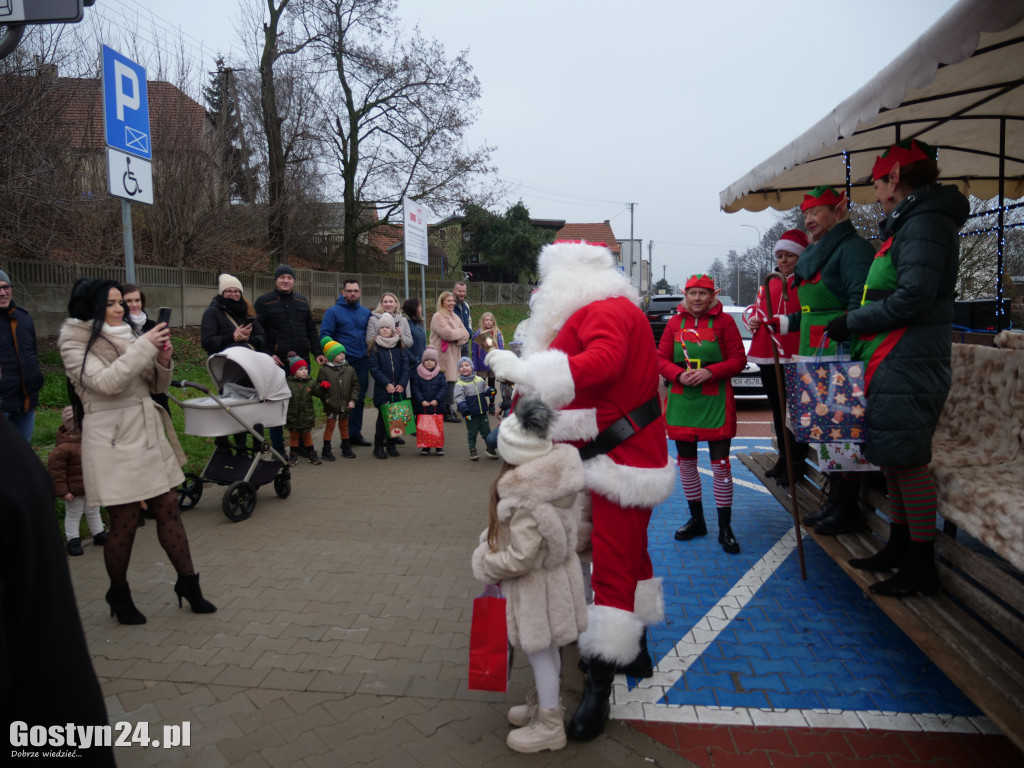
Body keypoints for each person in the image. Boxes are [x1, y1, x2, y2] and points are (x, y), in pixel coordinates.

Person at [486, 240, 675, 741]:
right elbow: (592, 393)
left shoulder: (604, 312)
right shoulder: (609, 308)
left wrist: (526, 374)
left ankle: (600, 681)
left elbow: (602, 364)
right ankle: (638, 651)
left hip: (619, 459)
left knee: (614, 562)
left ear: (568, 280)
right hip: (612, 453)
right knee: (630, 555)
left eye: (549, 283)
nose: (543, 293)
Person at [825, 139, 969, 597]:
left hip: (907, 356)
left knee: (908, 462)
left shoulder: (924, 222)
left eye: (877, 180)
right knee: (892, 457)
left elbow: (914, 297)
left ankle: (921, 565)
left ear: (894, 178)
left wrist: (852, 321)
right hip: (892, 354)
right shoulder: (910, 221)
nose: (873, 189)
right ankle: (900, 545)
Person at [58, 278, 215, 624]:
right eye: (112, 303)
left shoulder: (128, 334)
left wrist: (162, 356)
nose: (121, 309)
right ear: (91, 307)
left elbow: (156, 386)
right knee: (126, 521)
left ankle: (189, 584)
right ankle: (119, 592)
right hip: (111, 441)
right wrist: (144, 345)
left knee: (169, 508)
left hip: (146, 433)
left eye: (121, 302)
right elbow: (105, 383)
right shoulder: (74, 341)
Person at [749, 185, 874, 535]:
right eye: (806, 214)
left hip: (840, 354)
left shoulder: (853, 250)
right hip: (814, 352)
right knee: (826, 434)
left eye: (816, 212)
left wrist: (844, 325)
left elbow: (858, 304)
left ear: (839, 210)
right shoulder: (820, 254)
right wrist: (782, 322)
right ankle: (835, 500)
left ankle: (847, 506)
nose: (809, 219)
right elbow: (810, 312)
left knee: (842, 434)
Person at [471, 398, 588, 754]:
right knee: (550, 649)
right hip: (558, 580)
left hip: (535, 588)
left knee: (539, 652)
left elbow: (521, 558)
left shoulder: (525, 500)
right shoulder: (559, 480)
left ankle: (550, 724)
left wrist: (485, 562)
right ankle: (543, 704)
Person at [1, 411, 116, 766]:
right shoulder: (24, 455)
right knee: (75, 516)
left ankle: (95, 534)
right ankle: (75, 539)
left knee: (93, 514)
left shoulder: (10, 459)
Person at [657, 274, 747, 554]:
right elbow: (660, 359)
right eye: (692, 293)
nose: (697, 298)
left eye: (703, 294)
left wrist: (710, 371)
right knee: (686, 465)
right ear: (685, 295)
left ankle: (724, 527)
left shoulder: (725, 322)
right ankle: (697, 520)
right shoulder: (674, 323)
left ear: (713, 296)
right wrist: (677, 374)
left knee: (721, 467)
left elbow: (738, 360)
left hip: (715, 402)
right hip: (682, 402)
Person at [746, 230, 809, 485]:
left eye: (789, 256)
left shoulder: (805, 282)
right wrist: (754, 321)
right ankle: (784, 457)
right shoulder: (771, 281)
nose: (783, 261)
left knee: (795, 410)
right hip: (768, 351)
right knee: (777, 407)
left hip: (793, 352)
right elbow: (763, 310)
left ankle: (796, 462)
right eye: (780, 255)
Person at [255, 265, 325, 455]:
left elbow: (311, 329)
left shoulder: (301, 301)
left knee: (302, 403)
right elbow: (257, 332)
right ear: (276, 279)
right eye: (282, 277)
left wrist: (317, 351)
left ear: (294, 280)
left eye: (289, 277)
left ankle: (302, 446)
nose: (286, 280)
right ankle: (279, 448)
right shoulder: (264, 302)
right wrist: (268, 353)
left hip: (301, 362)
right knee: (278, 405)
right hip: (278, 363)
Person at [201, 273, 268, 456]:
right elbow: (208, 342)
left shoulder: (247, 312)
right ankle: (238, 449)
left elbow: (262, 339)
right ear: (222, 293)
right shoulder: (212, 313)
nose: (233, 294)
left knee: (254, 409)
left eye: (236, 291)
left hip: (250, 370)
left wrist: (248, 337)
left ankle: (257, 449)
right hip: (228, 370)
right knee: (235, 410)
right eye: (229, 291)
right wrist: (232, 336)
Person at [48, 405, 108, 556]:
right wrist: (63, 491)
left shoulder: (89, 442)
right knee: (74, 514)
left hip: (90, 487)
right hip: (73, 491)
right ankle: (73, 540)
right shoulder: (63, 449)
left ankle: (99, 533)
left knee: (93, 510)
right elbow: (56, 472)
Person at [320, 279, 372, 448]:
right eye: (349, 291)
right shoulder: (333, 312)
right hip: (343, 363)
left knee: (359, 398)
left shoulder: (365, 312)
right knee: (342, 400)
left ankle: (355, 433)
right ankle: (345, 437)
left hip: (363, 361)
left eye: (356, 291)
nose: (353, 294)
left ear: (360, 292)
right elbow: (325, 336)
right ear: (343, 292)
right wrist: (332, 355)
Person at [0, 268, 43, 442]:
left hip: (25, 402)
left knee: (23, 460)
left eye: (6, 287)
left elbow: (32, 354)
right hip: (2, 403)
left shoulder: (24, 318)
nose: (2, 293)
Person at [122, 283, 171, 415]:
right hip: (131, 389)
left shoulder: (152, 326)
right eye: (129, 301)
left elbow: (161, 360)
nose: (134, 305)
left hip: (155, 386)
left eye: (137, 300)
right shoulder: (118, 328)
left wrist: (164, 356)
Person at [367, 314, 409, 460]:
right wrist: (386, 383)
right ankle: (378, 446)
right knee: (382, 418)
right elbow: (374, 368)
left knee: (396, 417)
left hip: (398, 388)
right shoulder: (375, 347)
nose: (385, 330)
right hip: (383, 389)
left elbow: (405, 367)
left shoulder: (399, 345)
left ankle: (392, 444)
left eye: (387, 328)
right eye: (382, 328)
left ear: (393, 330)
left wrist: (402, 383)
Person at [429, 290, 470, 423]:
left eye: (453, 301)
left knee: (451, 382)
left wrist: (457, 336)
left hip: (453, 354)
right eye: (449, 301)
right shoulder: (438, 317)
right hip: (442, 356)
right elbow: (447, 334)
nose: (452, 303)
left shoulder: (454, 316)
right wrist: (459, 334)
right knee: (445, 383)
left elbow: (466, 335)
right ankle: (446, 411)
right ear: (442, 303)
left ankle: (449, 409)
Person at [315, 337, 359, 460]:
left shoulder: (349, 369)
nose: (342, 355)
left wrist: (353, 400)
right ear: (331, 356)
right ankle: (326, 450)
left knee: (344, 426)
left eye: (343, 352)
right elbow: (318, 389)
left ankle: (346, 447)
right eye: (339, 353)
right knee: (330, 426)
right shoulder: (324, 371)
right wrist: (326, 398)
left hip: (345, 404)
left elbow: (355, 385)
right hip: (331, 405)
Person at [454, 356, 496, 461]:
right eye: (461, 366)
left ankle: (490, 449)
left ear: (472, 367)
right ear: (458, 370)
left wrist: (491, 391)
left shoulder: (479, 379)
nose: (464, 368)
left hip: (482, 412)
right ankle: (472, 449)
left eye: (467, 365)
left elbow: (486, 390)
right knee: (472, 432)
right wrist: (465, 410)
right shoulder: (459, 384)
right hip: (470, 414)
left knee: (486, 431)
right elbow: (459, 399)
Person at [410, 345, 447, 456]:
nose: (429, 362)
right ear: (423, 361)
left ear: (436, 362)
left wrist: (437, 399)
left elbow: (444, 388)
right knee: (424, 427)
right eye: (426, 360)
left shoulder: (440, 374)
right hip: (423, 406)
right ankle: (425, 447)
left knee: (437, 426)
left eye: (432, 360)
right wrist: (421, 400)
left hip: (436, 406)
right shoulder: (418, 373)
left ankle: (438, 446)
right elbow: (415, 388)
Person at [285, 352, 321, 465]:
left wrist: (324, 388)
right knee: (294, 437)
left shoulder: (311, 382)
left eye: (305, 368)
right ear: (294, 371)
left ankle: (312, 454)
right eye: (300, 369)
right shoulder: (287, 383)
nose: (304, 371)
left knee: (307, 436)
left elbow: (319, 393)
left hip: (306, 415)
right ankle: (293, 456)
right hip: (292, 415)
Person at [472, 311, 505, 404]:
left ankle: (492, 403)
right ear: (482, 321)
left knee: (492, 385)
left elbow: (501, 349)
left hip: (493, 365)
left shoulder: (497, 333)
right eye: (486, 320)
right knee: (480, 385)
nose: (489, 322)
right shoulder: (478, 333)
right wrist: (474, 366)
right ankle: (481, 403)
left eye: (491, 320)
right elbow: (474, 351)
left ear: (493, 322)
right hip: (481, 364)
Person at [403, 297, 428, 366]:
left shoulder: (418, 324)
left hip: (421, 363)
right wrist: (415, 360)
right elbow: (404, 347)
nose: (421, 308)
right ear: (414, 308)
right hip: (412, 365)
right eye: (419, 305)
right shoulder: (406, 324)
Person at [453, 280, 472, 358]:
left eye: (464, 291)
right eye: (459, 291)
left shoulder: (466, 305)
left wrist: (470, 332)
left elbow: (469, 321)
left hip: (466, 343)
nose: (462, 294)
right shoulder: (450, 305)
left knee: (465, 367)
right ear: (454, 291)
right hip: (455, 344)